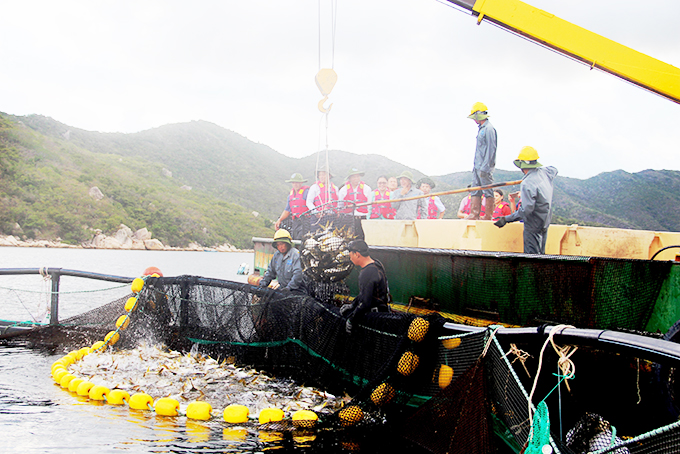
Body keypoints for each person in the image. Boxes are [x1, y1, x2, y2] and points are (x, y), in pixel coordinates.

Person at [494, 146, 558, 254]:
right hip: (545, 222)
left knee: (532, 256)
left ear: (521, 166)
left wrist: (505, 219)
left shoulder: (527, 183)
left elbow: (526, 210)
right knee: (541, 254)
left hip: (533, 225)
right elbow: (554, 169)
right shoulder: (545, 172)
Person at [340, 239, 390, 334]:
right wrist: (353, 305)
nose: (350, 259)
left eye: (350, 255)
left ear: (357, 254)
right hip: (384, 312)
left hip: (375, 318)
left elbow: (365, 303)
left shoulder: (366, 273)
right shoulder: (377, 264)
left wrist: (352, 320)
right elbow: (365, 293)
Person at [466, 102, 497, 220]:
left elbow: (491, 149)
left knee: (487, 190)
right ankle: (474, 214)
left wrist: (486, 166)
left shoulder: (489, 129)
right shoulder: (481, 129)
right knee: (475, 189)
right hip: (477, 166)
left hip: (484, 167)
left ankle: (488, 215)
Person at [338, 168, 373, 238]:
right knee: (348, 238)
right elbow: (340, 205)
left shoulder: (367, 189)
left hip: (362, 218)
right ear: (349, 178)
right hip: (348, 218)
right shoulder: (343, 190)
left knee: (362, 237)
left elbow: (369, 205)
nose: (356, 178)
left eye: (358, 176)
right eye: (353, 177)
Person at [275, 173, 309, 240]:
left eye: (297, 182)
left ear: (301, 183)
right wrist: (280, 220)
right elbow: (287, 210)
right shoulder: (290, 196)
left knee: (301, 238)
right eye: (293, 183)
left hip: (305, 221)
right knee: (294, 238)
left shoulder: (306, 193)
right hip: (295, 222)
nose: (295, 184)